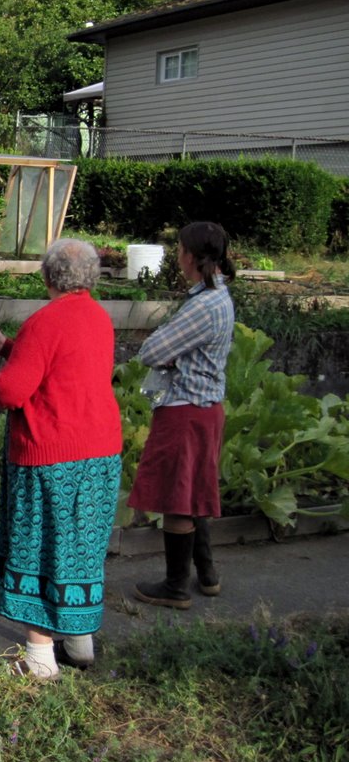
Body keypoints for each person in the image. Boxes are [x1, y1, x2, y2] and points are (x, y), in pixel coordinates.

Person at [0, 238, 123, 680]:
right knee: (79, 546)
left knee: (40, 547)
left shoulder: (44, 322)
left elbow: (14, 390)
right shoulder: (99, 319)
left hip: (51, 453)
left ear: (47, 276)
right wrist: (5, 345)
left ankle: (38, 659)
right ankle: (79, 642)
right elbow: (58, 365)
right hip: (100, 451)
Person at [129, 221, 236, 610]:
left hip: (185, 410)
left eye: (179, 251)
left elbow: (152, 351)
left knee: (177, 498)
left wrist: (169, 353)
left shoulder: (203, 305)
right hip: (205, 407)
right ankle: (206, 575)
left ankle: (176, 586)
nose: (177, 257)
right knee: (193, 492)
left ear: (191, 256)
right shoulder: (218, 295)